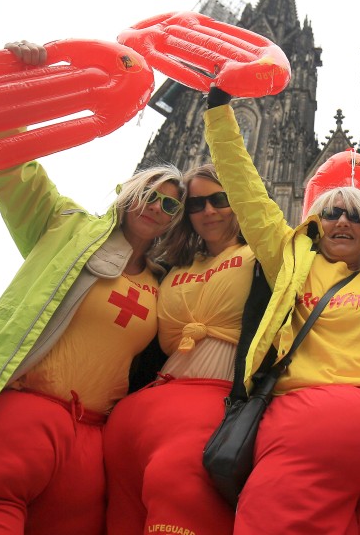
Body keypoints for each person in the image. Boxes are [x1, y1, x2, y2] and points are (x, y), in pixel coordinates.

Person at [0, 41, 184, 535]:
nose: (156, 207)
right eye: (148, 193)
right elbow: (9, 166)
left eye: (171, 205)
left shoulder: (168, 286)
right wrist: (25, 79)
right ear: (127, 192)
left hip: (90, 445)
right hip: (5, 420)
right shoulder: (64, 225)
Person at [203, 87, 360, 535]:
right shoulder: (292, 265)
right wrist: (218, 112)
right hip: (308, 426)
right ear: (312, 222)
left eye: (356, 214)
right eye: (330, 213)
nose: (342, 221)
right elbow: (247, 192)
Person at [104, 163, 258, 535]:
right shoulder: (168, 268)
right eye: (194, 204)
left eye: (220, 199)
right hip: (139, 414)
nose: (208, 210)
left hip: (210, 411)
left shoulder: (264, 256)